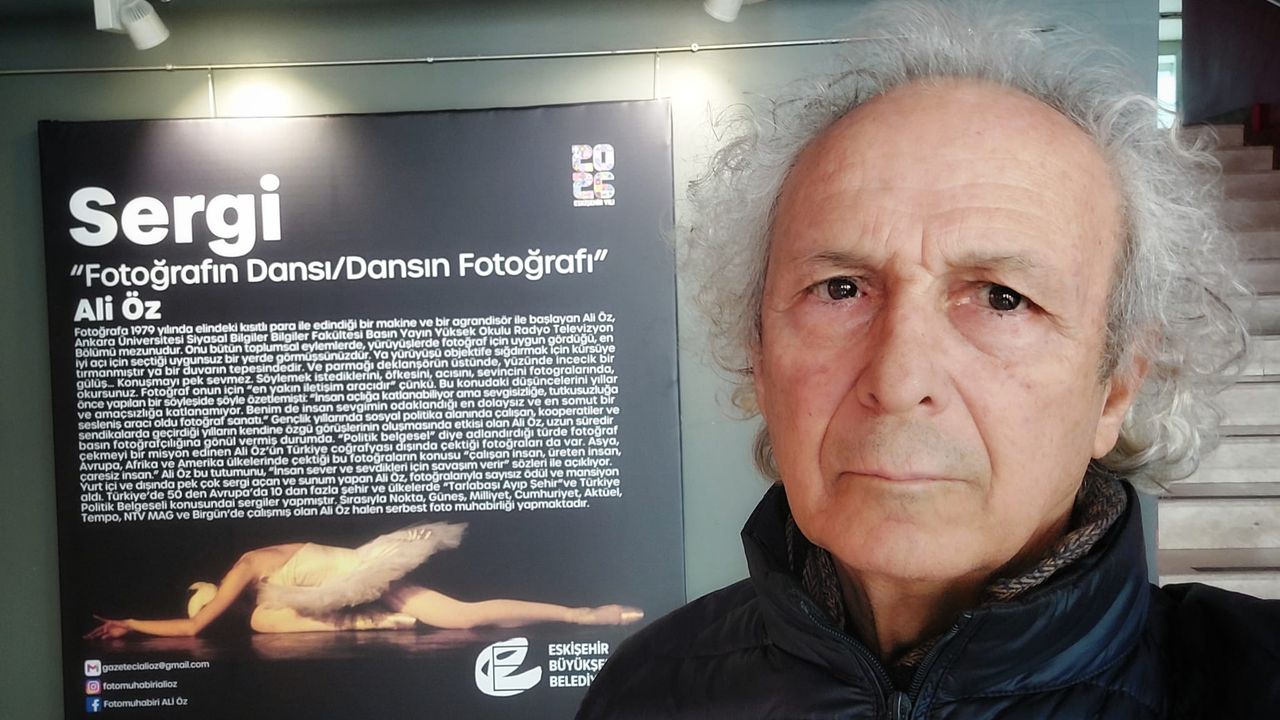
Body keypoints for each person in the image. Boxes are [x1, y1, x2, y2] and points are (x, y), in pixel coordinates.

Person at [578, 2, 1280, 718]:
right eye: (840, 289)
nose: (898, 378)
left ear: (1118, 386)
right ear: (758, 359)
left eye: (1003, 299)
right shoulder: (646, 692)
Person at [86, 522, 642, 639]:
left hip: (368, 580)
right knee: (468, 618)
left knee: (466, 617)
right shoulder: (265, 573)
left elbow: (195, 628)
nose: (220, 607)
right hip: (368, 580)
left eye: (215, 601)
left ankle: (582, 615)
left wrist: (130, 622)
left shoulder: (248, 571)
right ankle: (583, 615)